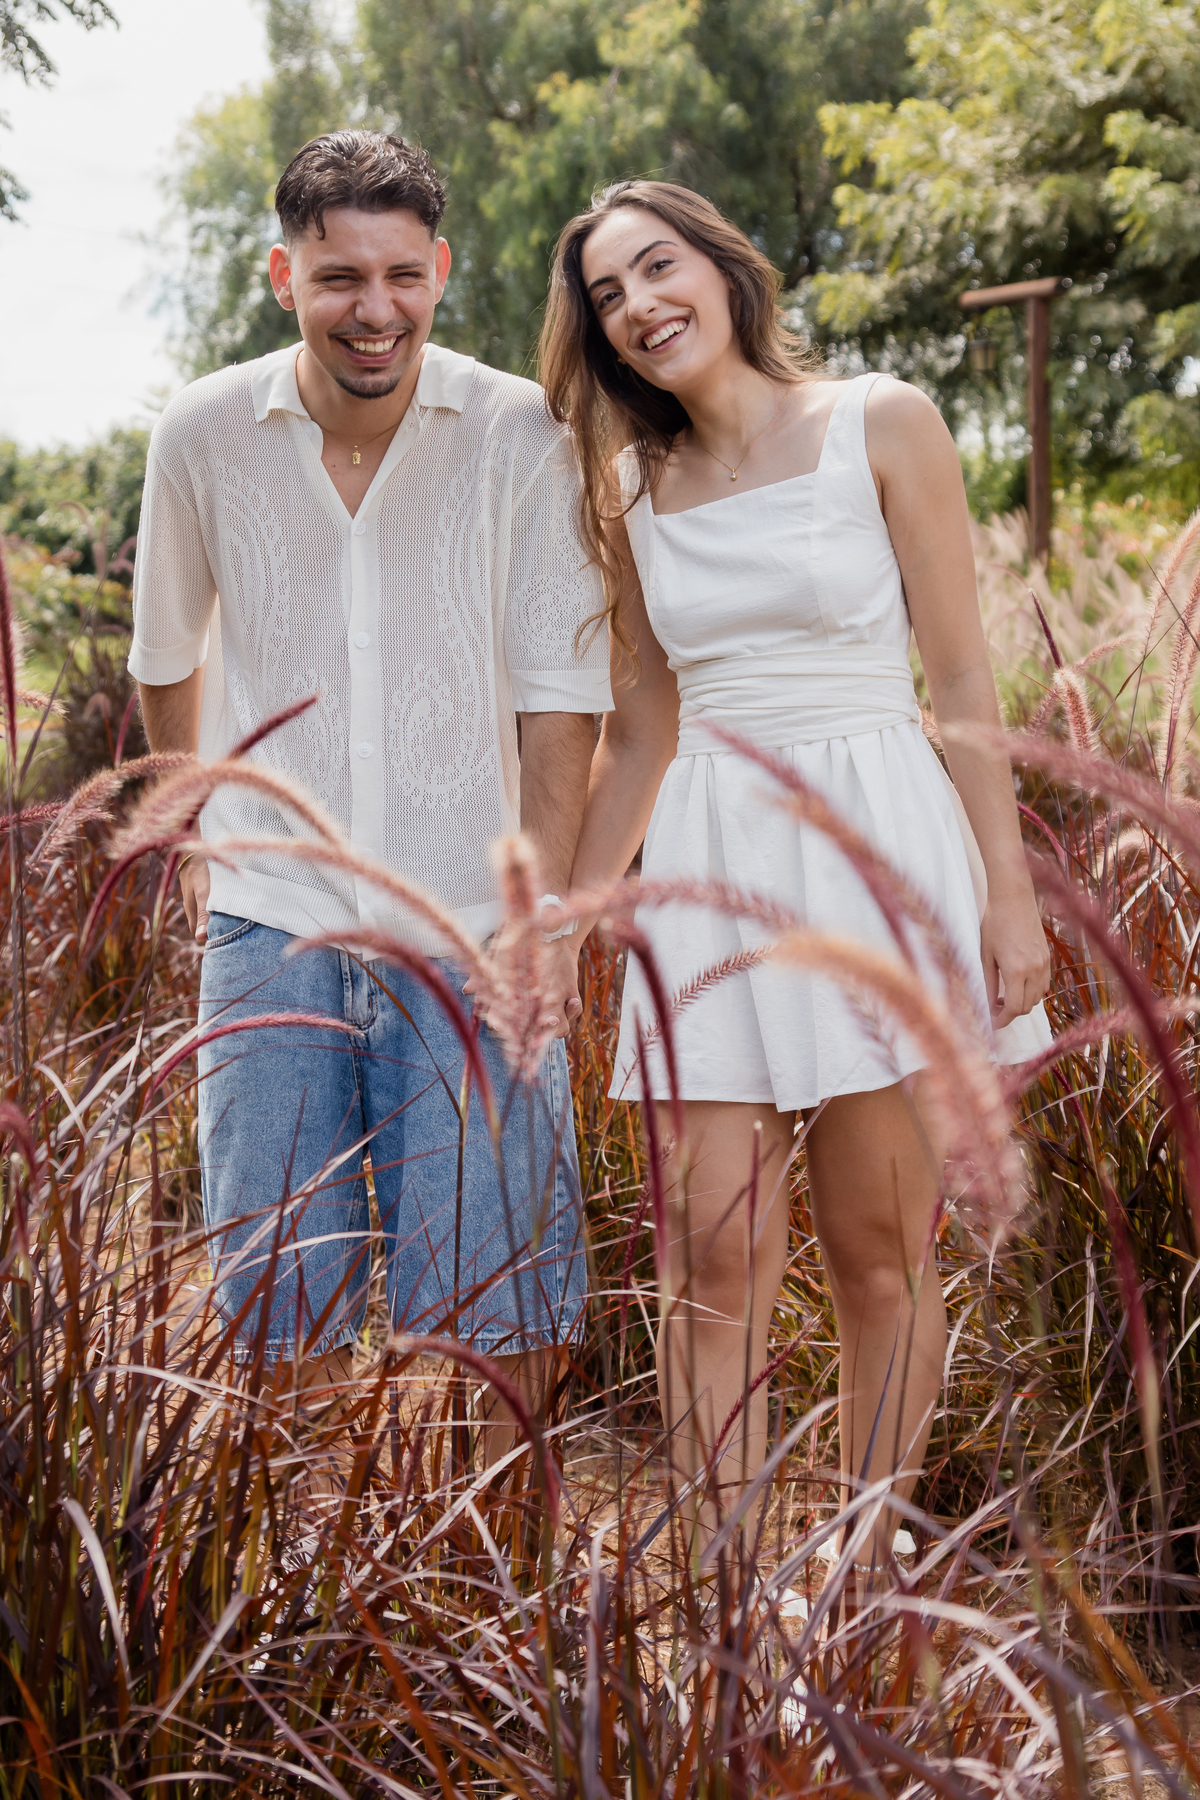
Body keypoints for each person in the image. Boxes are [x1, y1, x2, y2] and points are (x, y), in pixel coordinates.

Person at [540, 180, 1051, 1560]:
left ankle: (861, 1584)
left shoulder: (882, 421)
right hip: (711, 865)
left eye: (659, 267)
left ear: (723, 267)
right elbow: (643, 728)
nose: (641, 306)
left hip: (879, 848)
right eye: (608, 296)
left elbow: (961, 681)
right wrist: (573, 913)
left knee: (878, 1252)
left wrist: (1007, 895)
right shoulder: (629, 490)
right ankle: (723, 1592)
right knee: (713, 1254)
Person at [130, 131, 610, 1476]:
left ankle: (490, 1589)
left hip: (474, 928)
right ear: (283, 274)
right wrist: (200, 850)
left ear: (441, 270)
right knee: (280, 1304)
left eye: (402, 274)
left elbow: (560, 702)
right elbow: (166, 661)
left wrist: (541, 918)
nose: (374, 308)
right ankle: (308, 1587)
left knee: (503, 1310)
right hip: (271, 927)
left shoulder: (519, 432)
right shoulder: (202, 434)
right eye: (339, 275)